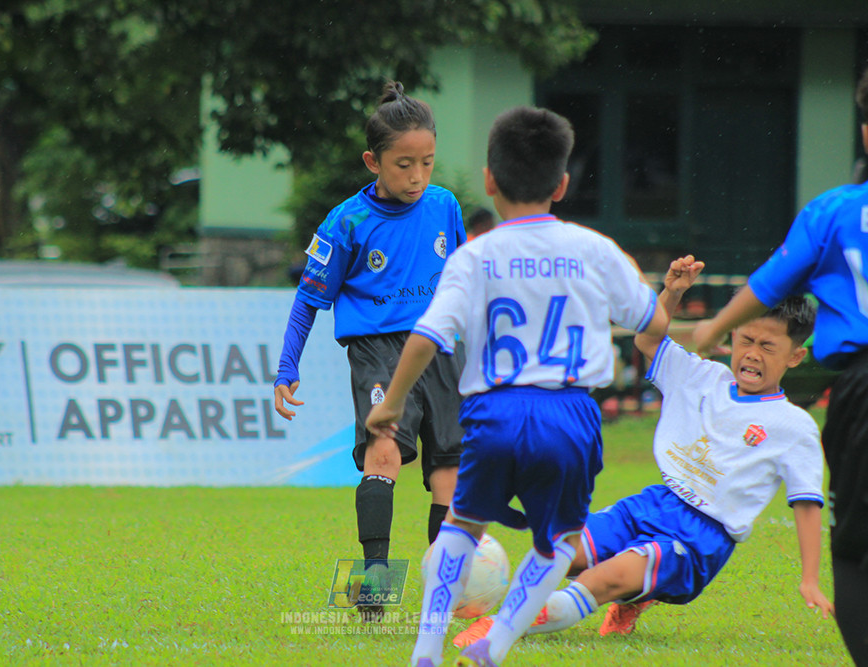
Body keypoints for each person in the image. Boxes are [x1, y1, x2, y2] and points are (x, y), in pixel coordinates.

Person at [365, 105, 668, 667]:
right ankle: (495, 646)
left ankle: (425, 651)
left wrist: (396, 402)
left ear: (488, 179)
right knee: (559, 543)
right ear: (562, 183)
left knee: (461, 524)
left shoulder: (474, 256)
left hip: (494, 412)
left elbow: (427, 335)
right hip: (570, 413)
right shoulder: (593, 249)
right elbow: (652, 320)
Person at [453, 256, 834, 650]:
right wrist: (672, 292)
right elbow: (647, 341)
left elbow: (806, 503)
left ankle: (500, 627)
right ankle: (635, 594)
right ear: (731, 336)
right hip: (651, 503)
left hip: (699, 537)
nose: (753, 353)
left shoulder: (793, 425)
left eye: (768, 346)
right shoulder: (701, 376)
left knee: (597, 582)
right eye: (746, 340)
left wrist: (810, 579)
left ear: (794, 356)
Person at [693, 66, 868, 666]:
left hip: (862, 387)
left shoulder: (835, 212)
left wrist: (712, 327)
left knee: (855, 542)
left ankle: (379, 598)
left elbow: (768, 284)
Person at [273, 81, 467, 618]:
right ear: (372, 161)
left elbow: (467, 279)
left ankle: (439, 583)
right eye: (404, 164)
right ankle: (375, 584)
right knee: (384, 451)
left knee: (447, 469)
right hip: (378, 350)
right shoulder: (346, 223)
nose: (417, 176)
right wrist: (287, 368)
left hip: (444, 347)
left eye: (427, 162)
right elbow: (308, 300)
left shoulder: (445, 206)